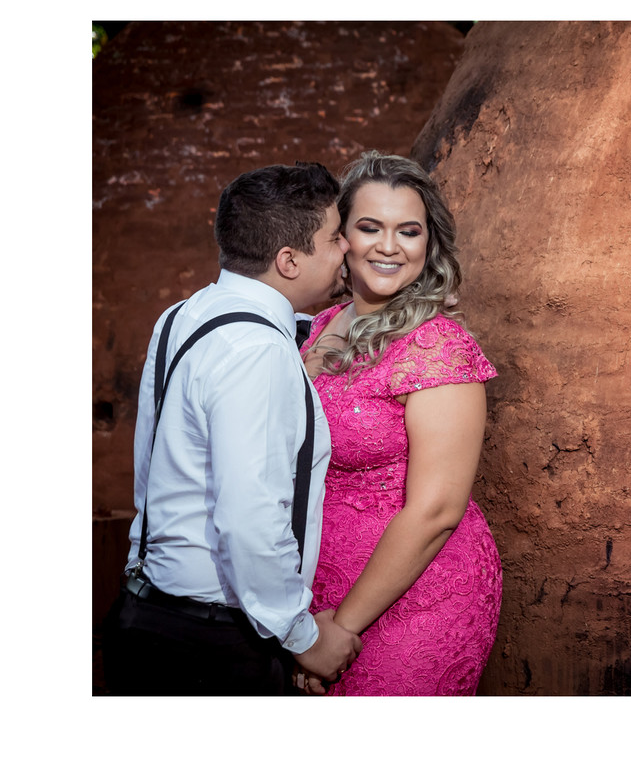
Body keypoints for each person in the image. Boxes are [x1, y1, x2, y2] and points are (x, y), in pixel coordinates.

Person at [103, 162, 363, 695]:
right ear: (289, 260)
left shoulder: (182, 314)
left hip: (143, 611)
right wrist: (304, 637)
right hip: (213, 646)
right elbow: (248, 517)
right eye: (335, 237)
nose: (348, 249)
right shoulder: (258, 352)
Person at [298, 151, 502, 695]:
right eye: (370, 227)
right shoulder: (320, 327)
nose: (389, 246)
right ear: (341, 237)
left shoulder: (439, 346)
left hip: (417, 593)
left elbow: (437, 510)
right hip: (316, 593)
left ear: (429, 244)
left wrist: (340, 629)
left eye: (408, 231)